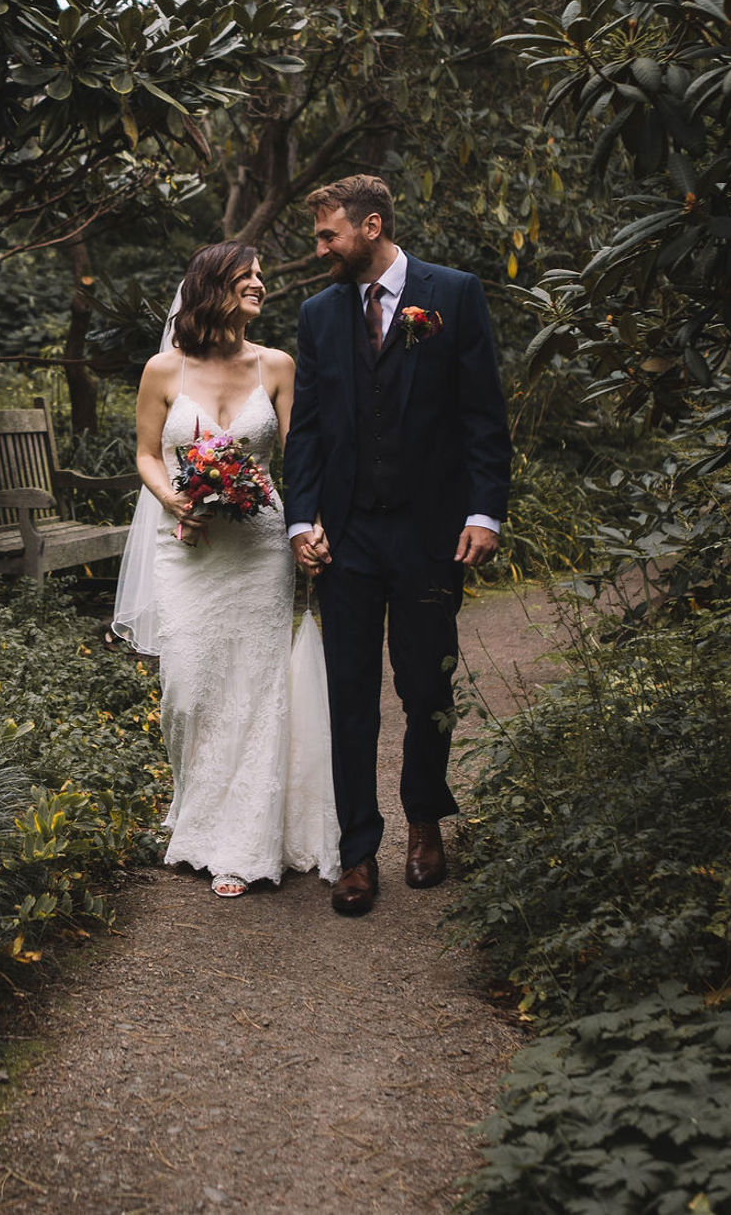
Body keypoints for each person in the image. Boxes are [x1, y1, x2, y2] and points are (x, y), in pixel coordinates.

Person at [283, 175, 511, 916]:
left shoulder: (454, 295)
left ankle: (423, 824)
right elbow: (308, 429)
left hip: (430, 532)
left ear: (371, 225)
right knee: (350, 695)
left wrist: (484, 513)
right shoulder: (319, 315)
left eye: (329, 236)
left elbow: (483, 415)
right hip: (346, 537)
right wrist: (301, 521)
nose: (320, 250)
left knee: (426, 688)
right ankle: (356, 850)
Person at [113, 242, 341, 897]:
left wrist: (311, 524)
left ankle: (243, 841)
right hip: (187, 548)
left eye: (264, 275)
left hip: (260, 547)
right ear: (213, 285)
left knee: (254, 684)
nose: (262, 285)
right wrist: (171, 495)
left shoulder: (277, 365)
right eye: (250, 275)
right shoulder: (163, 370)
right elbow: (148, 454)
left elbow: (300, 461)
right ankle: (195, 815)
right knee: (187, 688)